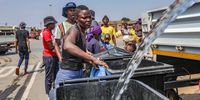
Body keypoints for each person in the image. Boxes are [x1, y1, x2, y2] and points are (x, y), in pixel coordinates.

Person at [55, 5, 108, 87]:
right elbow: (68, 46)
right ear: (76, 19)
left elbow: (75, 55)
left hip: (78, 72)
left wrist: (89, 61)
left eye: (89, 17)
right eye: (84, 18)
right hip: (68, 74)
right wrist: (92, 58)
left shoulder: (83, 31)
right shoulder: (74, 30)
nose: (88, 20)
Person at [42, 16, 59, 95]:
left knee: (55, 75)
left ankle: (54, 91)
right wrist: (59, 50)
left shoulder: (49, 32)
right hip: (49, 57)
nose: (55, 25)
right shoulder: (46, 33)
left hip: (53, 56)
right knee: (49, 76)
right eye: (53, 24)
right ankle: (48, 94)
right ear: (49, 24)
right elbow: (51, 46)